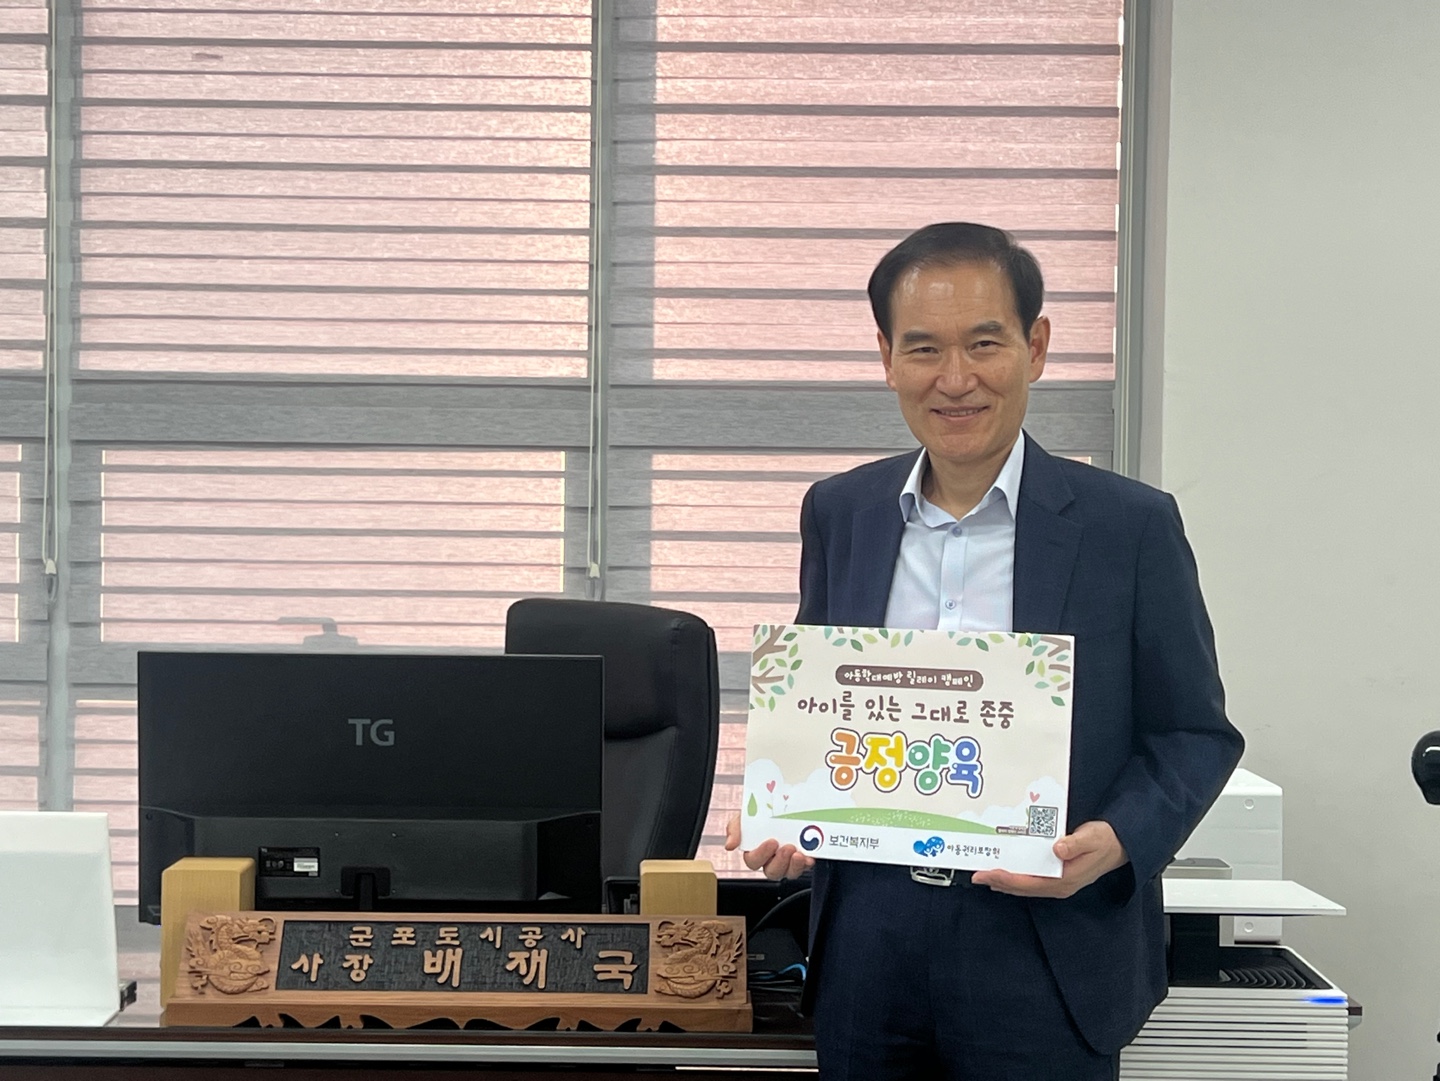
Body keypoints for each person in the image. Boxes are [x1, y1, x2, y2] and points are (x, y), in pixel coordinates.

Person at [725, 222, 1243, 1080]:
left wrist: (1118, 838)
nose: (955, 378)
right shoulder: (841, 513)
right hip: (870, 944)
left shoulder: (1129, 527)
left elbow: (1195, 733)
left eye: (984, 343)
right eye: (924, 347)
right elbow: (821, 698)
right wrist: (783, 803)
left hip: (1046, 943)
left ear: (1035, 347)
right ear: (887, 357)